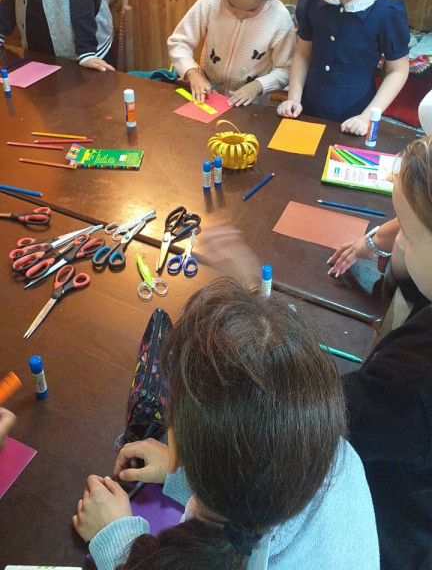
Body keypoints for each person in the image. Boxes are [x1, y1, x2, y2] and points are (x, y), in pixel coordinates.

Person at [73, 277, 379, 570]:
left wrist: (112, 536)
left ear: (175, 445)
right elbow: (260, 475)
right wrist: (189, 474)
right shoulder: (340, 456)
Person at [330, 137, 432, 569]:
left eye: (407, 232)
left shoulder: (409, 383)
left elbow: (318, 421)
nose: (399, 246)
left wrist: (185, 465)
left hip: (389, 535)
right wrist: (380, 242)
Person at [277, 0, 410, 134]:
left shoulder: (386, 13)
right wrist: (293, 99)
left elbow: (398, 71)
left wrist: (367, 117)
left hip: (354, 121)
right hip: (307, 112)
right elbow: (303, 53)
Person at [167, 0, 295, 106]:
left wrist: (258, 86)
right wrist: (192, 73)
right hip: (208, 95)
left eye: (252, 10)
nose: (240, 14)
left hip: (250, 105)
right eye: (232, 5)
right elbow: (178, 42)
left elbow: (287, 69)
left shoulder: (279, 18)